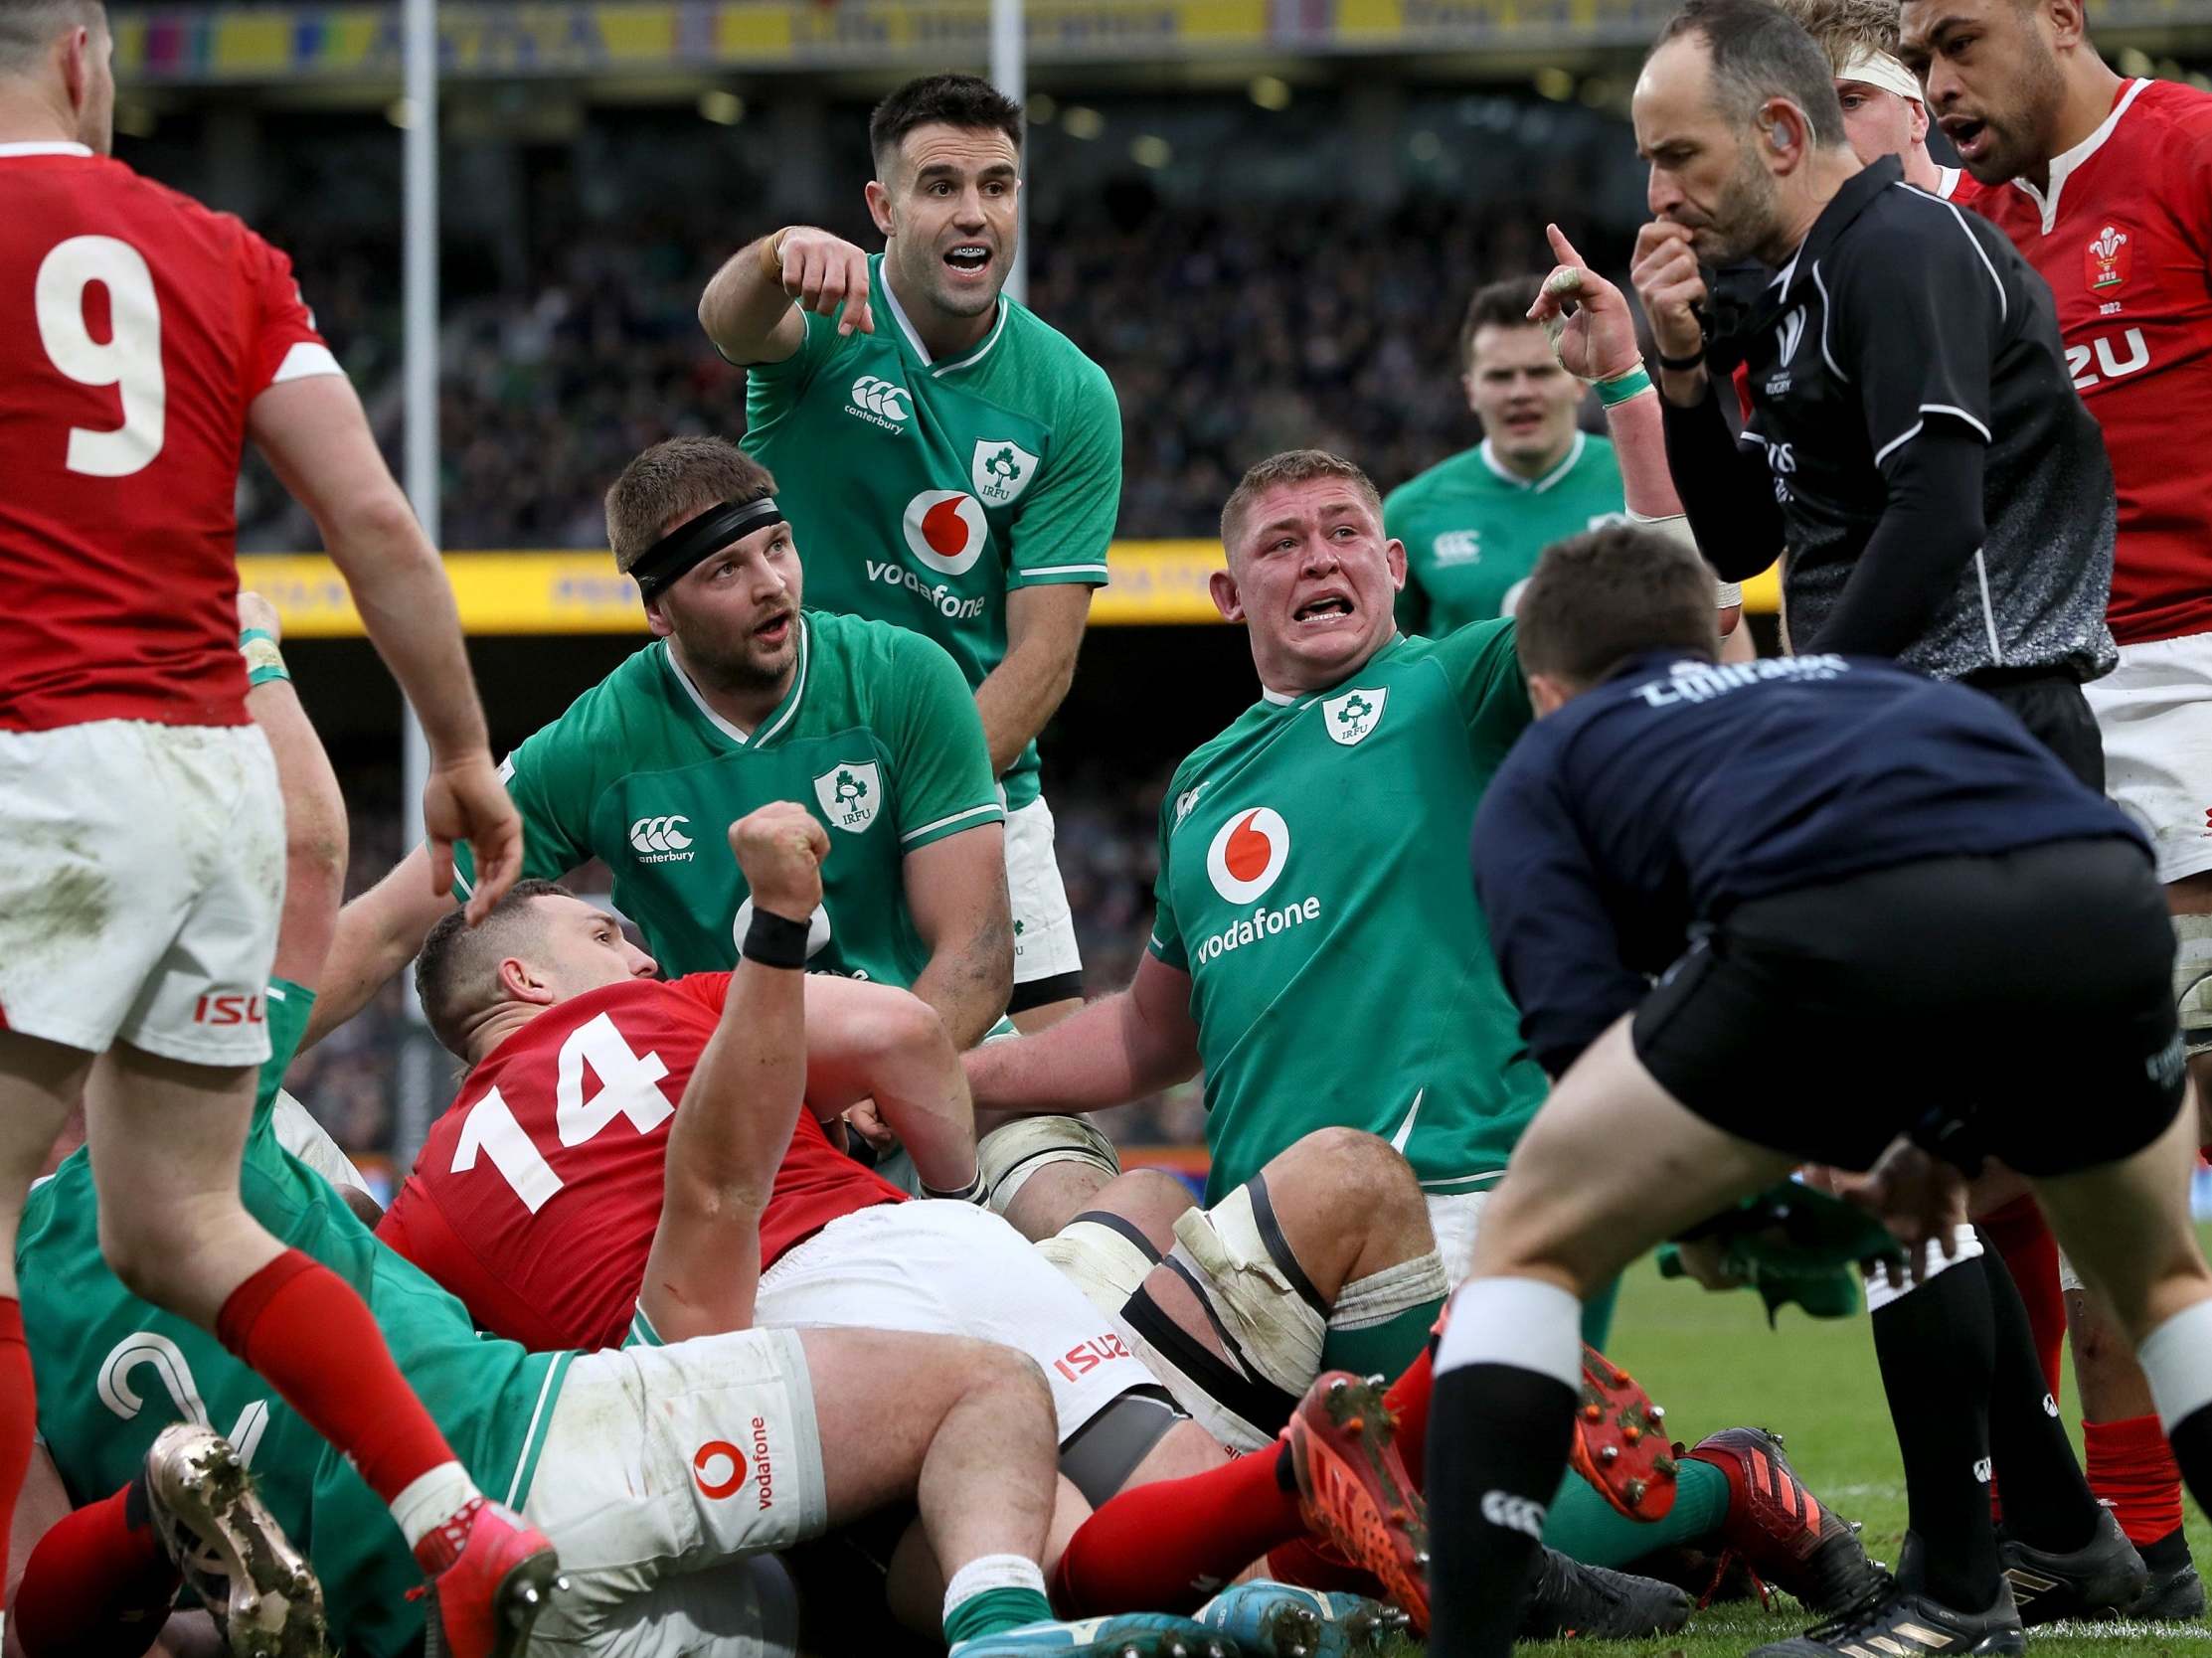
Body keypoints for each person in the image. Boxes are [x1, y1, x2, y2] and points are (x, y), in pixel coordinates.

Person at [12, 761, 1216, 1658]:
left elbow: (32, 1614)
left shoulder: (423, 1199)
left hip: (410, 1595)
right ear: (527, 973)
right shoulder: (233, 1123)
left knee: (880, 1572)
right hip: (563, 1434)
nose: (635, 952)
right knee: (1132, 1229)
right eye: (608, 931)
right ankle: (1241, 1554)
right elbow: (891, 1041)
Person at [0, 2, 544, 1647]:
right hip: (214, 783)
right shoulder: (225, 252)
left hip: (42, 771)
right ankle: (460, 1523)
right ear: (89, 59)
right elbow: (371, 513)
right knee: (179, 1220)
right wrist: (456, 746)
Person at [1425, 525, 2212, 1658]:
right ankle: (1984, 1576)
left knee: (1528, 1243)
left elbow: (1576, 1038)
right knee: (2162, 1285)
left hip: (1832, 920)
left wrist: (1710, 1211)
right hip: (2098, 899)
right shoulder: (1860, 679)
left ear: (1543, 688)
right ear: (1716, 635)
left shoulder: (1554, 755)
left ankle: (1471, 1643)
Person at [309, 436, 1055, 1204]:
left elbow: (976, 954)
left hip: (948, 1067)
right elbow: (389, 927)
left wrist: (882, 1069)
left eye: (777, 548)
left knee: (1065, 1207)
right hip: (753, 1122)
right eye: (726, 571)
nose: (772, 586)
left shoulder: (905, 676)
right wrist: (234, 1069)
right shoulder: (595, 745)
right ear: (659, 610)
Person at [1904, 0, 2212, 1605]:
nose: (1941, 84)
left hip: (2198, 671)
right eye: (1919, 57)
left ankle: (2131, 1524)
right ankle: (2125, 1529)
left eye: (1958, 41)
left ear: (2062, 17)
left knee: (2130, 1128)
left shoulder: (2191, 149)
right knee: (2056, 1135)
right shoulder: (1960, 231)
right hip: (2045, 693)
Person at [700, 73, 1117, 1045]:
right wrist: (770, 256)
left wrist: (915, 804)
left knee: (1045, 1097)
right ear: (882, 210)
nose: (973, 213)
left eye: (997, 185)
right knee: (784, 1098)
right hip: (786, 779)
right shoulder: (819, 328)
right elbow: (729, 322)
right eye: (939, 186)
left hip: (977, 781)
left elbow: (1041, 660)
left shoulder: (1071, 396)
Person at [1387, 273, 1745, 642]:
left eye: (1540, 372)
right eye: (1500, 377)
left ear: (1578, 380)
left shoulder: (1648, 483)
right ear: (1471, 391)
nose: (1520, 392)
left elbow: (1717, 624)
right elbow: (1392, 656)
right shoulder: (1409, 512)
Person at [1772, 0, 1954, 189]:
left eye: (1850, 102)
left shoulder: (1984, 208)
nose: (1827, 133)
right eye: (1804, 113)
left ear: (1915, 116)